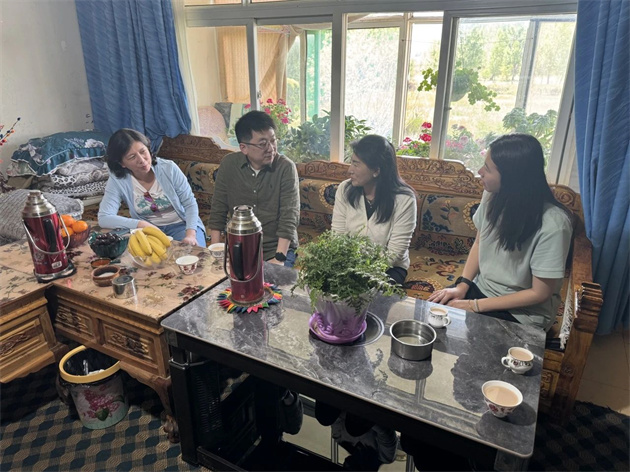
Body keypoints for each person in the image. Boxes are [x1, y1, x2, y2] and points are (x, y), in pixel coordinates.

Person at [428, 133, 573, 332]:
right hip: (481, 290)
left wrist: (474, 305)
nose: (480, 172)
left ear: (512, 178)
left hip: (523, 312)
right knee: (434, 322)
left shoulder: (554, 224)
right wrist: (462, 285)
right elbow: (480, 242)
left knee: (476, 346)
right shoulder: (492, 195)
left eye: (487, 169)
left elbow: (540, 293)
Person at [208, 110, 300, 267]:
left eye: (273, 141)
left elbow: (289, 217)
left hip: (276, 249)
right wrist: (215, 252)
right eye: (263, 144)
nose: (271, 148)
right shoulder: (229, 165)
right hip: (239, 247)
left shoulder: (285, 168)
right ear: (244, 148)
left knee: (270, 282)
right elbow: (218, 211)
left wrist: (279, 258)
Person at [332, 134, 417, 285]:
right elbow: (337, 236)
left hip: (388, 268)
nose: (350, 170)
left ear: (376, 170)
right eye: (351, 163)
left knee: (369, 293)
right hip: (348, 264)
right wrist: (346, 268)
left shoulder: (404, 199)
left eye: (356, 164)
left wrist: (361, 274)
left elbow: (394, 254)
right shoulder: (345, 189)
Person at [99, 129, 206, 247]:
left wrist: (190, 235)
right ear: (122, 163)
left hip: (182, 225)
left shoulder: (169, 168)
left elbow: (189, 203)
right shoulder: (118, 180)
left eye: (143, 151)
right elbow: (104, 217)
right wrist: (141, 224)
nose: (142, 160)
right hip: (147, 231)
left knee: (194, 255)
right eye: (132, 157)